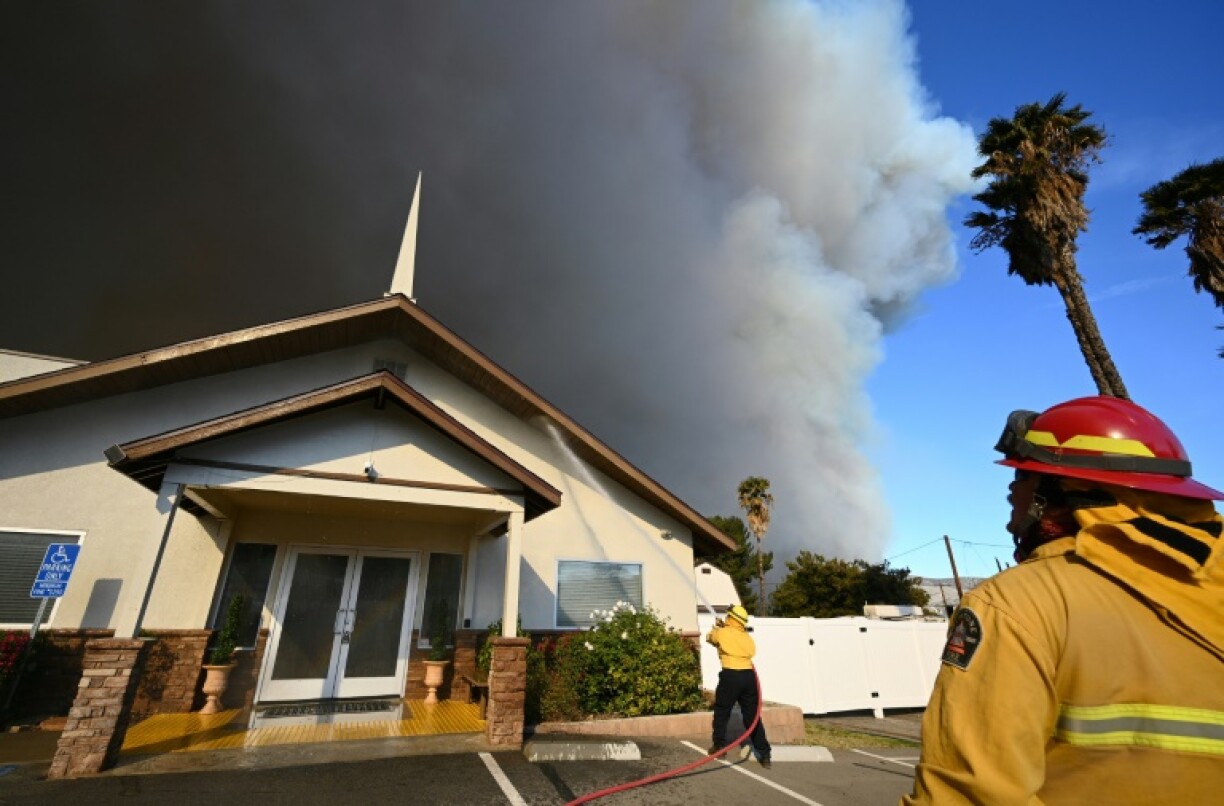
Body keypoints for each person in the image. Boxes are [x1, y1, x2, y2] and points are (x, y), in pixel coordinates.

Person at [903, 396, 1224, 805]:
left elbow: (972, 794)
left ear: (1059, 492)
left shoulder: (1017, 603)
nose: (1010, 490)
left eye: (1023, 476)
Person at [706, 604, 772, 768]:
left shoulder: (721, 633)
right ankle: (764, 753)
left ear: (731, 619)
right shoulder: (746, 638)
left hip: (730, 676)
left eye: (729, 616)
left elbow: (710, 638)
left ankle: (719, 746)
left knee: (722, 711)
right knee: (752, 715)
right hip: (748, 677)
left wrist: (718, 627)